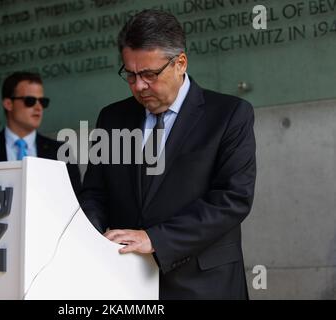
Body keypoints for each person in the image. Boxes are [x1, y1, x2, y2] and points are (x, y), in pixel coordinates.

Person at [80, 9, 256, 299]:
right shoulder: (111, 118)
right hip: (126, 282)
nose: (139, 86)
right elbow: (94, 193)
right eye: (130, 74)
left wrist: (156, 239)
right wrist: (95, 241)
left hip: (204, 284)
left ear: (180, 63)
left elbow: (232, 199)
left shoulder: (229, 115)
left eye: (149, 74)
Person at [0, 71, 82, 195]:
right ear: (8, 104)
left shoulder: (61, 152)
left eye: (42, 102)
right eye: (30, 101)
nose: (38, 108)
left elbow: (75, 202)